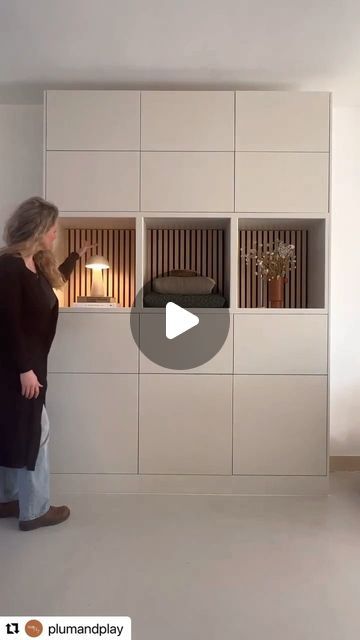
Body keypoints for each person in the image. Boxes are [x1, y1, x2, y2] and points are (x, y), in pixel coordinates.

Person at [0, 196, 96, 531]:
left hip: (28, 367)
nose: (55, 234)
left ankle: (7, 500)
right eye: (53, 229)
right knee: (36, 434)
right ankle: (35, 510)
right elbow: (7, 322)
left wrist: (75, 257)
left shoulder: (33, 265)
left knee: (15, 433)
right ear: (39, 229)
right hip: (18, 370)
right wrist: (25, 369)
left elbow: (51, 286)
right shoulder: (9, 267)